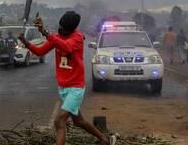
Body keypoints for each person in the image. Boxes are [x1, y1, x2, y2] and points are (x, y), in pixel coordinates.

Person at [18, 11, 116, 145]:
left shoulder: (77, 38)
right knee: (78, 121)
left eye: (64, 29)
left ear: (71, 29)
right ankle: (105, 140)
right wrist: (26, 42)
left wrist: (45, 32)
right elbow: (40, 52)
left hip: (75, 88)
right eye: (60, 27)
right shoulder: (57, 37)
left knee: (59, 121)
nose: (61, 30)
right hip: (63, 88)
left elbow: (66, 47)